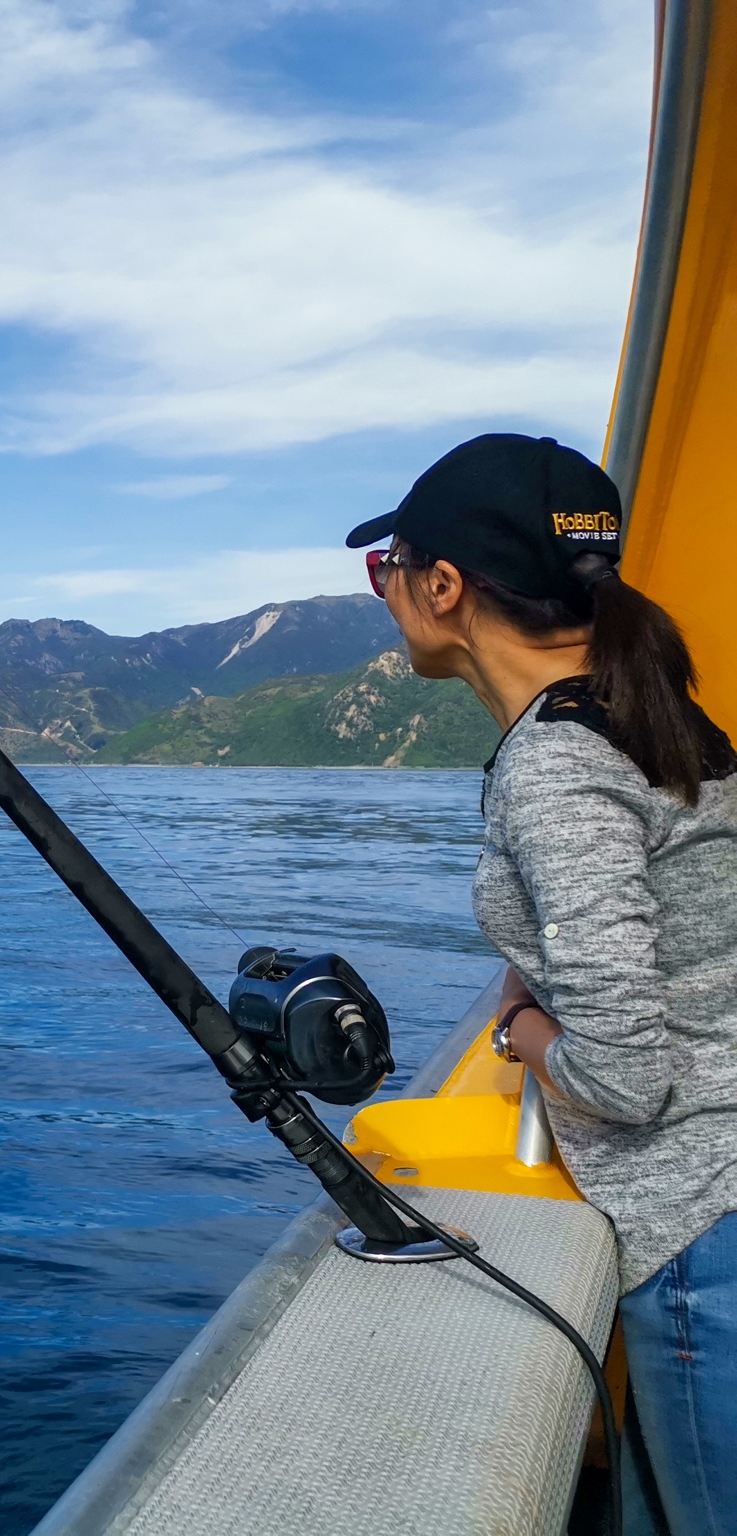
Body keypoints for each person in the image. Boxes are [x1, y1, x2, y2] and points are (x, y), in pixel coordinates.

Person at [349, 432, 737, 1535]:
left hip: (698, 1222)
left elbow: (621, 1077)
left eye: (385, 570)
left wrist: (519, 1026)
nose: (381, 595)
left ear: (441, 585)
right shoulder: (654, 713)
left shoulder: (556, 764)